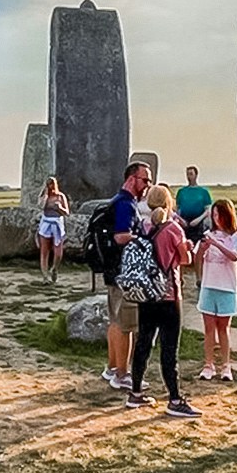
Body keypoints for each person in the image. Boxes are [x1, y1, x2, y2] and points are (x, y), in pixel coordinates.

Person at [125, 185, 201, 418]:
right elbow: (185, 259)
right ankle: (175, 399)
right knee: (169, 348)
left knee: (143, 343)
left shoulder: (143, 226)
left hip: (146, 294)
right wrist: (187, 247)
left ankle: (135, 392)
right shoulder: (173, 228)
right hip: (167, 294)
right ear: (169, 203)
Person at [100, 162, 152, 391]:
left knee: (114, 321)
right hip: (125, 272)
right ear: (131, 179)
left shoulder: (116, 201)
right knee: (126, 326)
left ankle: (111, 367)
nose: (147, 185)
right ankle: (122, 374)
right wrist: (142, 239)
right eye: (145, 180)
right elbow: (121, 236)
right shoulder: (125, 205)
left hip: (113, 271)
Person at [195, 198, 237, 381]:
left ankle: (226, 366)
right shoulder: (208, 234)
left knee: (223, 328)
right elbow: (196, 259)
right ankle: (208, 364)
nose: (216, 218)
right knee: (209, 328)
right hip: (209, 285)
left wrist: (216, 244)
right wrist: (202, 249)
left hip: (227, 287)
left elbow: (234, 256)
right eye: (214, 215)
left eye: (220, 214)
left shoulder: (235, 237)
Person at [36, 176, 70, 283]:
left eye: (52, 184)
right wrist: (45, 196)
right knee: (44, 251)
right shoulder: (43, 196)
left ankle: (54, 268)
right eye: (48, 184)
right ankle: (45, 277)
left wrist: (60, 208)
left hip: (57, 223)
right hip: (46, 223)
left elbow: (67, 213)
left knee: (58, 252)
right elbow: (40, 207)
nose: (50, 186)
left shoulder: (60, 196)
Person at [175, 167, 214, 250]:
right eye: (188, 174)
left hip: (199, 222)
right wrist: (181, 220)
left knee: (198, 247)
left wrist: (198, 220)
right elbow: (177, 209)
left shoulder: (203, 192)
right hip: (184, 222)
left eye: (191, 174)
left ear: (196, 175)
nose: (189, 177)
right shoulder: (182, 191)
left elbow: (208, 209)